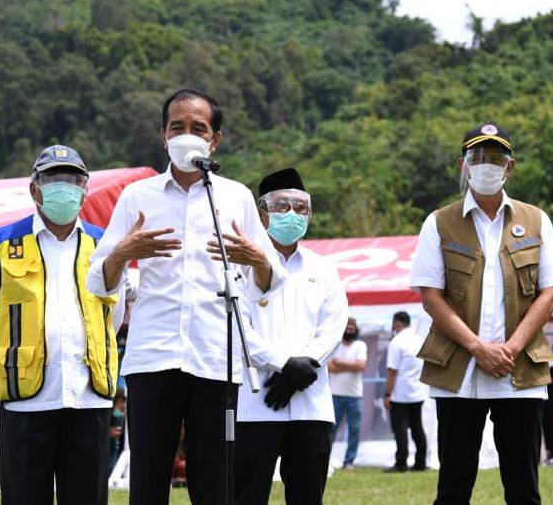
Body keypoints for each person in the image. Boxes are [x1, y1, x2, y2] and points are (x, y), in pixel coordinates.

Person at [86, 88, 318, 505]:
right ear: (163, 135)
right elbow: (99, 282)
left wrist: (256, 259)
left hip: (215, 354)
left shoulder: (234, 196)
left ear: (216, 139)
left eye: (199, 128)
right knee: (149, 477)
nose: (187, 135)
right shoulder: (138, 197)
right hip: (153, 354)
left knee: (214, 480)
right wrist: (123, 253)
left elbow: (269, 282)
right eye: (178, 127)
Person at [409, 123, 553, 505]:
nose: (486, 165)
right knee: (453, 488)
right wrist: (479, 348)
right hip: (458, 370)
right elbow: (431, 297)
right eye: (477, 157)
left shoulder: (535, 220)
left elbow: (549, 294)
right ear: (463, 165)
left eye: (495, 158)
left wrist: (509, 349)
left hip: (521, 370)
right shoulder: (438, 222)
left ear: (509, 168)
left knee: (523, 489)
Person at [0, 145, 120, 505]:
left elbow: (116, 309)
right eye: (52, 178)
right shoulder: (3, 243)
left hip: (89, 395)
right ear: (34, 188)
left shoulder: (103, 243)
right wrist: (3, 356)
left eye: (72, 179)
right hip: (26, 401)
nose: (62, 187)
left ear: (85, 189)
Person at [234, 168, 349, 505]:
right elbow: (239, 330)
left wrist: (301, 371)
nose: (292, 214)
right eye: (282, 205)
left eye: (301, 207)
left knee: (307, 497)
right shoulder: (241, 264)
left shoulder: (323, 268)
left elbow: (334, 326)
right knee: (246, 496)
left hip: (311, 404)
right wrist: (284, 366)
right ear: (261, 212)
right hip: (255, 403)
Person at [383, 311, 428, 472]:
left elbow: (392, 370)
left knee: (400, 429)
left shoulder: (397, 342)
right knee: (417, 428)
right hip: (418, 391)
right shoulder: (419, 340)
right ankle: (420, 462)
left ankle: (401, 462)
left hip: (400, 393)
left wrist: (387, 393)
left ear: (397, 324)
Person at [329, 317, 367, 469]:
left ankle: (349, 461)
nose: (349, 331)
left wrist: (340, 364)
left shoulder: (360, 345)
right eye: (347, 328)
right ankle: (326, 460)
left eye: (352, 329)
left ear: (355, 330)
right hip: (335, 394)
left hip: (355, 396)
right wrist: (350, 366)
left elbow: (361, 366)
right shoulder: (335, 345)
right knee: (330, 430)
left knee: (354, 430)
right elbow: (328, 368)